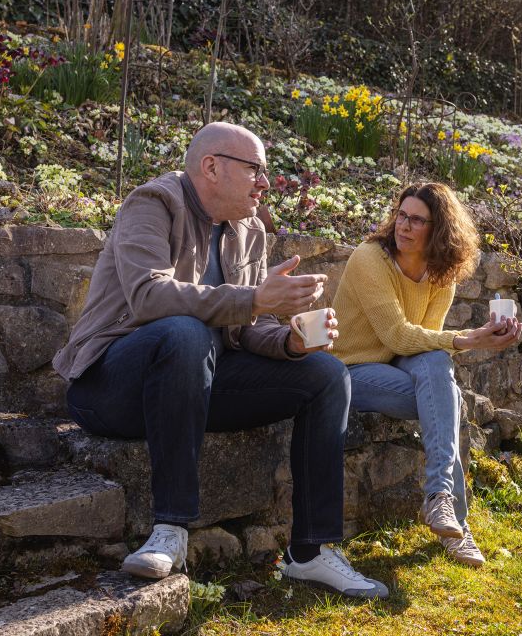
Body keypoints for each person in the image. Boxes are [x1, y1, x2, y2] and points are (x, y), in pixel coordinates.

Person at [52, 122, 388, 600]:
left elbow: (246, 328)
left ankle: (311, 552)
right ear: (211, 167)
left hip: (196, 383)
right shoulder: (152, 204)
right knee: (184, 332)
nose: (266, 183)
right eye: (255, 169)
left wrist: (290, 343)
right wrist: (256, 297)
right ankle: (171, 529)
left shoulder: (248, 230)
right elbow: (149, 298)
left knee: (327, 375)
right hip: (111, 386)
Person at [331, 182, 522, 567]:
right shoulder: (370, 258)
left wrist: (470, 340)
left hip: (396, 366)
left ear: (438, 229)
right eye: (401, 215)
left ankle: (439, 502)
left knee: (437, 369)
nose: (403, 226)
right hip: (350, 369)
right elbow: (396, 335)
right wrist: (468, 339)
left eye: (417, 220)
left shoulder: (441, 273)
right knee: (444, 399)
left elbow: (426, 346)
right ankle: (457, 525)